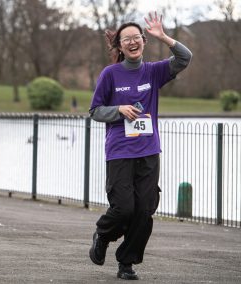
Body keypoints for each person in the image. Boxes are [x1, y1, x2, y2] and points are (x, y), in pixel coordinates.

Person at [88, 12, 192, 280]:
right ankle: (102, 234)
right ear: (120, 46)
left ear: (144, 41)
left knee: (144, 211)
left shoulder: (154, 71)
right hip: (120, 151)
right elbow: (95, 111)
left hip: (148, 152)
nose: (132, 42)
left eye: (137, 38)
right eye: (126, 39)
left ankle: (126, 263)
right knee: (124, 208)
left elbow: (184, 58)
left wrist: (164, 37)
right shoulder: (110, 74)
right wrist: (119, 110)